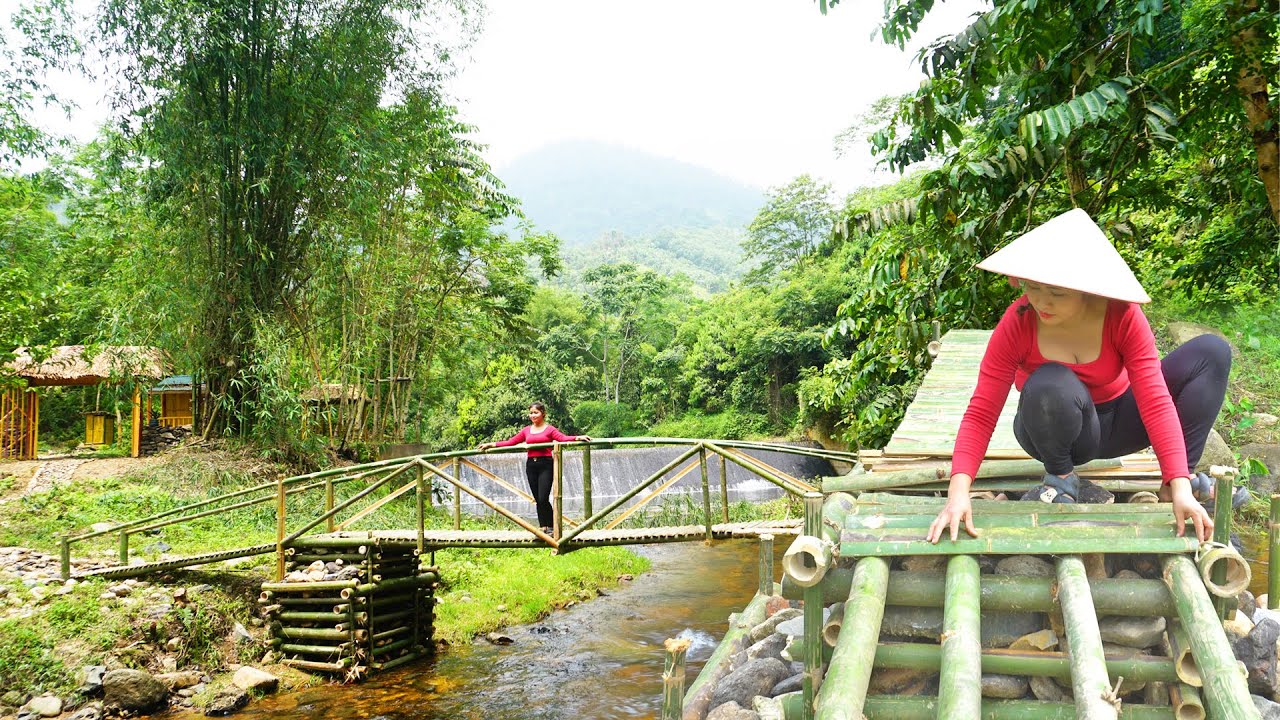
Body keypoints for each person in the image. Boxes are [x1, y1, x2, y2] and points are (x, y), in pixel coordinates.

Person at [926, 208, 1233, 545]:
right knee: (1049, 382)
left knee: (1211, 353)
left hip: (1119, 423)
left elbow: (1155, 399)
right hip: (1054, 431)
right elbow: (982, 411)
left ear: (1088, 288)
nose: (1042, 301)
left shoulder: (1122, 316)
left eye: (1057, 292)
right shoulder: (1018, 322)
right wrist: (958, 493)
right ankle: (1061, 478)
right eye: (1033, 287)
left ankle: (1177, 483)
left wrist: (1179, 483)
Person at [477, 402, 591, 534]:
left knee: (543, 498)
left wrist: (577, 437)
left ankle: (553, 527)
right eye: (531, 413)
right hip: (531, 465)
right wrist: (492, 444)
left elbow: (562, 438)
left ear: (543, 413)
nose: (533, 415)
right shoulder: (526, 430)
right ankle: (544, 527)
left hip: (546, 464)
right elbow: (511, 442)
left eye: (535, 412)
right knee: (538, 499)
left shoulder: (549, 429)